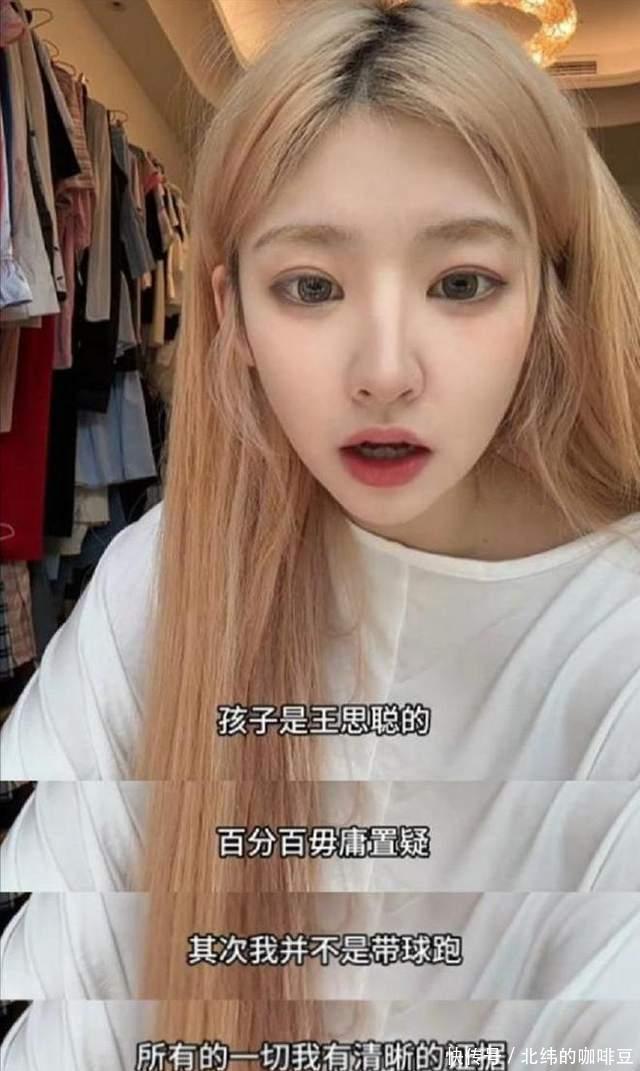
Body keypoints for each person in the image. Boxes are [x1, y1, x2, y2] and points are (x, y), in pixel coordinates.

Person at [1, 0, 640, 1064]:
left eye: (462, 283)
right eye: (311, 287)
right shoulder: (157, 584)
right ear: (235, 318)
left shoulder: (616, 639)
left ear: (548, 301)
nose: (384, 370)